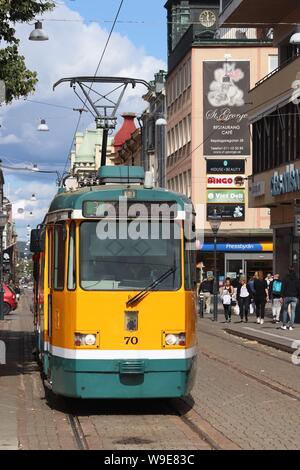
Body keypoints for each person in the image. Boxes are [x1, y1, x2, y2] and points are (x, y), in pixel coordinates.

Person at [280, 266, 300, 331]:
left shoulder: (285, 278)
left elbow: (282, 288)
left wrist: (281, 296)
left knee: (285, 311)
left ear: (288, 271)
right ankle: (291, 326)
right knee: (293, 311)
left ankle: (284, 325)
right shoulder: (297, 279)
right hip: (294, 297)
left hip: (286, 296)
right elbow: (299, 288)